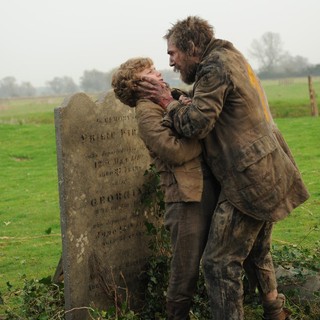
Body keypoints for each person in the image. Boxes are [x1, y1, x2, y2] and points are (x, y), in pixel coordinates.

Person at [137, 16, 310, 320]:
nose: (171, 63)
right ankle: (276, 312)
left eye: (173, 53)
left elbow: (195, 124)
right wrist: (179, 97)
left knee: (218, 264)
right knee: (255, 252)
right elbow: (212, 103)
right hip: (269, 169)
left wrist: (166, 101)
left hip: (251, 178)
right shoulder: (228, 56)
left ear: (192, 47)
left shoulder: (214, 68)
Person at [111, 57, 221, 320]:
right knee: (185, 269)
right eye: (150, 72)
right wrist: (202, 137)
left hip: (205, 187)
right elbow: (174, 151)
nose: (158, 72)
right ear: (138, 84)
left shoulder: (169, 97)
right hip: (185, 198)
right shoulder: (146, 112)